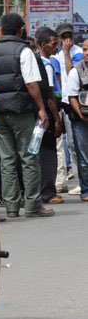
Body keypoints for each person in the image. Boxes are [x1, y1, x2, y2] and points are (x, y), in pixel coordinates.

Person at [0, 13, 54, 219]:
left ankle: (12, 206)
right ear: (20, 30)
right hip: (20, 110)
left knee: (6, 160)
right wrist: (41, 108)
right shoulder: (24, 51)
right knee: (29, 157)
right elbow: (31, 83)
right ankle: (33, 204)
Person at [35, 27, 64, 204]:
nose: (56, 47)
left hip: (40, 113)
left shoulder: (39, 62)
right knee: (48, 153)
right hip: (48, 113)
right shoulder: (46, 65)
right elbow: (50, 95)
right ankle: (47, 192)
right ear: (43, 44)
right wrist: (57, 119)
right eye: (53, 44)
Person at [55, 22, 83, 195]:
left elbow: (71, 72)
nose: (68, 40)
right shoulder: (57, 54)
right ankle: (80, 180)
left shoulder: (78, 52)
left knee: (79, 142)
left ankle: (83, 181)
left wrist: (66, 53)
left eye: (69, 36)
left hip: (78, 102)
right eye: (64, 37)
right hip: (65, 102)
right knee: (72, 144)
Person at [66, 37, 88, 202]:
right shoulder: (76, 70)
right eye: (85, 49)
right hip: (82, 120)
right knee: (84, 156)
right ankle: (86, 190)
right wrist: (82, 116)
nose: (86, 53)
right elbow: (72, 97)